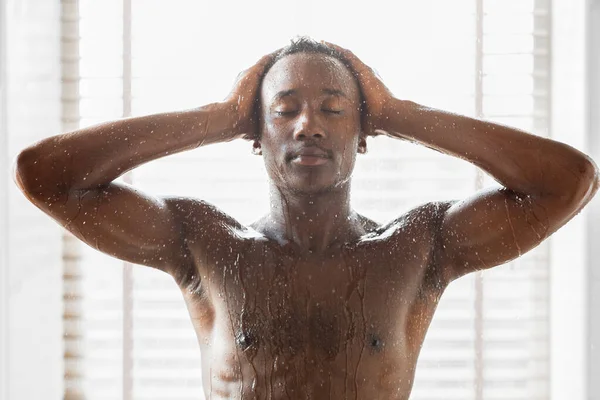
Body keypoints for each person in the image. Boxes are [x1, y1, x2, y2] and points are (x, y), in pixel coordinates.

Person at [13, 37, 599, 399]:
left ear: (362, 134)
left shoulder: (419, 246)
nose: (308, 126)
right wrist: (217, 116)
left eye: (335, 109)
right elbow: (45, 177)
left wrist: (396, 112)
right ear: (256, 135)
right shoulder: (204, 243)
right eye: (285, 110)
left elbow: (567, 183)